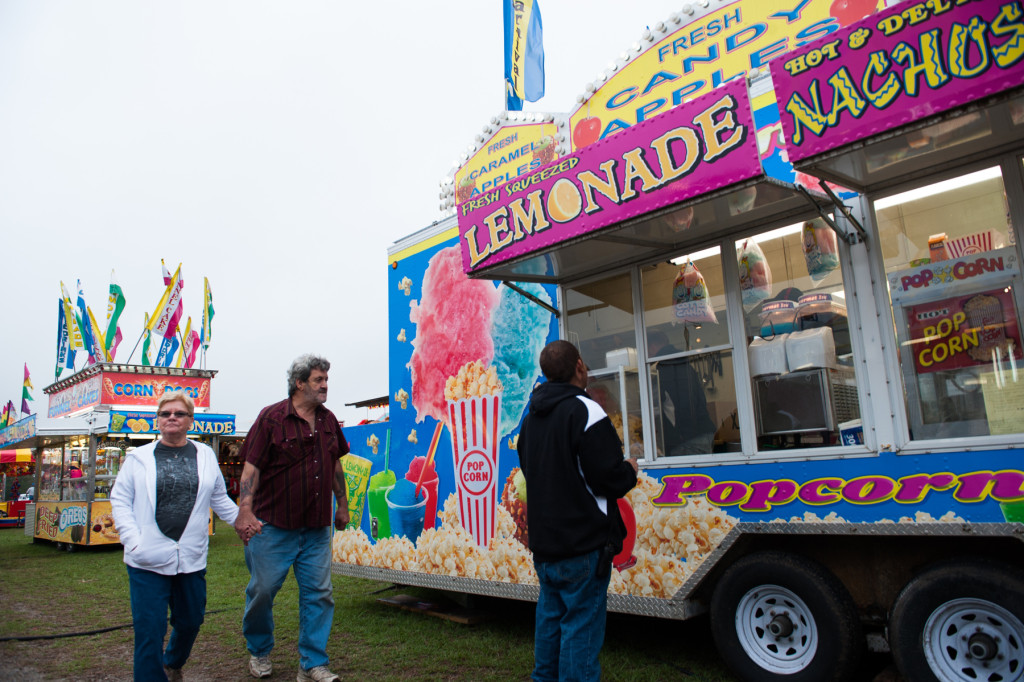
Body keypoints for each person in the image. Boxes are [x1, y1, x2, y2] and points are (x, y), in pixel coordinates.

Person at [518, 340, 639, 682]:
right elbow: (609, 480)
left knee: (550, 619)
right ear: (580, 367)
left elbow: (532, 472)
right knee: (579, 628)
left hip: (544, 545)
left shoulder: (531, 420)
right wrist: (629, 468)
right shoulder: (587, 410)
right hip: (583, 545)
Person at [110, 391, 242, 682]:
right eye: (165, 413)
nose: (172, 417)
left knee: (191, 620)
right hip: (146, 560)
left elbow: (219, 497)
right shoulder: (138, 458)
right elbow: (119, 500)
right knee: (149, 630)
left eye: (179, 413)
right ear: (157, 420)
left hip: (190, 559)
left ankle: (173, 662)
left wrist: (241, 522)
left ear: (190, 420)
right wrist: (133, 540)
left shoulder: (205, 454)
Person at [235, 354, 350, 682]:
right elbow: (252, 466)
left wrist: (341, 504)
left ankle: (312, 663)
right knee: (262, 591)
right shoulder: (271, 418)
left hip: (316, 527)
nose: (325, 385)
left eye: (327, 380)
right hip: (272, 527)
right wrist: (245, 509)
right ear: (299, 383)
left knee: (319, 594)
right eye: (318, 380)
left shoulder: (329, 421)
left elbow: (337, 465)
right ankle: (259, 651)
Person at [648, 331, 717, 456]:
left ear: (652, 346)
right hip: (705, 432)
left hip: (686, 439)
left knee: (690, 475)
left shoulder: (660, 371)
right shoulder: (686, 365)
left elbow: (653, 406)